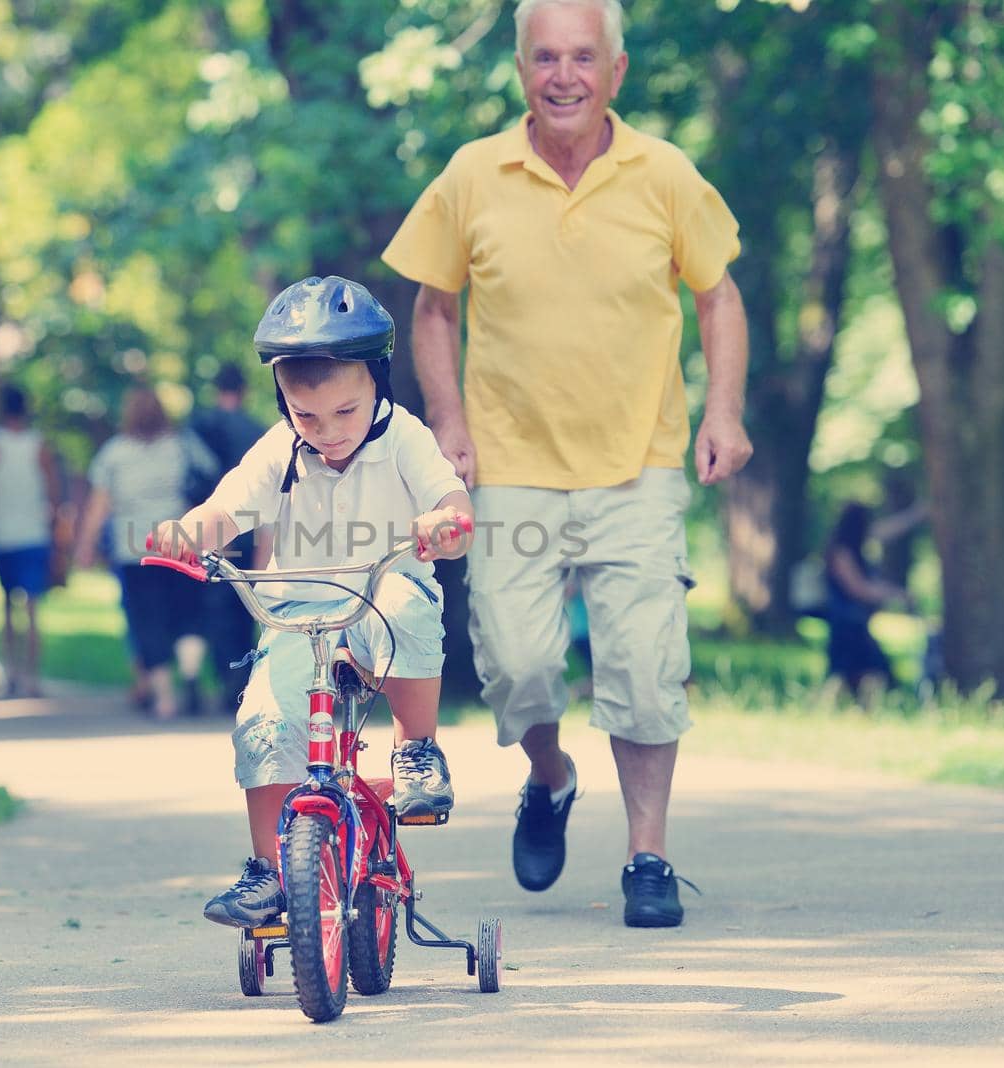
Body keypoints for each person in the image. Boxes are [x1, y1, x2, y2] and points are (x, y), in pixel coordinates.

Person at [381, 0, 751, 928]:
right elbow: (433, 308)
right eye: (545, 57)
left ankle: (649, 858)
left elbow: (718, 297)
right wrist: (448, 422)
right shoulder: (473, 174)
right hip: (510, 466)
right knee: (517, 664)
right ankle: (549, 777)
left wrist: (725, 413)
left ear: (615, 72)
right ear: (520, 71)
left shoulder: (664, 173)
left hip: (639, 462)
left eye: (583, 58)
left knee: (645, 663)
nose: (564, 76)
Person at [147, 275, 473, 928]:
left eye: (345, 413)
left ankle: (416, 751)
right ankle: (269, 870)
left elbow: (451, 498)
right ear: (283, 402)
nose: (327, 432)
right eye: (307, 416)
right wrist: (190, 533)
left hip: (384, 594)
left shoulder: (404, 437)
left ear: (377, 383)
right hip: (299, 611)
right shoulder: (279, 448)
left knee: (407, 606)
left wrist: (445, 522)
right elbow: (227, 507)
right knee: (266, 718)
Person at [76, 388, 211, 721]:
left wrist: (85, 545)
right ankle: (191, 673)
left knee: (147, 621)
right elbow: (210, 481)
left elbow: (99, 505)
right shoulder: (182, 445)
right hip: (181, 542)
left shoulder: (114, 453)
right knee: (186, 614)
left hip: (135, 549)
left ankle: (165, 698)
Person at [186, 363, 270, 710]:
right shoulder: (258, 432)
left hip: (208, 526)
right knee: (241, 605)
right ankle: (238, 678)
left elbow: (191, 479)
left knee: (208, 606)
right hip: (248, 529)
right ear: (245, 389)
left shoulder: (198, 427)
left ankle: (216, 676)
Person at [0, 384, 64, 698]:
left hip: (2, 533)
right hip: (33, 532)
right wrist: (56, 529)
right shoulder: (38, 445)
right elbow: (53, 491)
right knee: (33, 608)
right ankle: (32, 677)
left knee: (8, 608)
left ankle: (12, 672)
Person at [822, 500, 919, 698]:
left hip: (855, 623)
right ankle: (844, 714)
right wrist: (896, 593)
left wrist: (918, 513)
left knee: (856, 675)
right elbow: (858, 588)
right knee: (853, 674)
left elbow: (887, 530)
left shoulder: (852, 546)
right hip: (846, 624)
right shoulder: (842, 552)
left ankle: (858, 716)